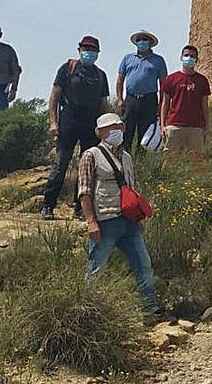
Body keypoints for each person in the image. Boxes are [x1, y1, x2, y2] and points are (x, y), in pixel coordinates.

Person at [78, 112, 160, 313]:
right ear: (100, 132)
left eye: (118, 126)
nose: (116, 130)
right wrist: (91, 222)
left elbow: (131, 187)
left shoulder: (127, 157)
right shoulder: (91, 155)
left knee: (143, 264)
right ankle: (87, 312)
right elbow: (84, 191)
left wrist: (138, 217)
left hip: (129, 222)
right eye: (110, 127)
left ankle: (150, 308)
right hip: (105, 221)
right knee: (96, 269)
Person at [42, 36, 109, 220]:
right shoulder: (68, 69)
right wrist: (53, 122)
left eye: (93, 50)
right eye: (86, 49)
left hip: (90, 124)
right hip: (69, 120)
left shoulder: (100, 75)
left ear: (98, 53)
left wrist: (105, 128)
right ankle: (48, 205)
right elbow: (54, 97)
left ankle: (80, 208)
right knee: (61, 163)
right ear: (79, 49)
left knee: (86, 168)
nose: (89, 53)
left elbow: (103, 104)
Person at [116, 30, 168, 153]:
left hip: (149, 99)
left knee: (145, 134)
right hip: (131, 99)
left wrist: (161, 104)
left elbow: (163, 85)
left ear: (150, 43)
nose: (141, 42)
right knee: (126, 132)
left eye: (144, 39)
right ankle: (124, 160)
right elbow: (120, 80)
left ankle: (141, 162)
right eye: (139, 40)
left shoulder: (158, 60)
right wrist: (119, 99)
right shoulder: (127, 59)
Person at [159, 45, 211, 164]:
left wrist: (206, 128)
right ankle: (167, 181)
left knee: (197, 161)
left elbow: (205, 107)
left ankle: (197, 182)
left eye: (192, 56)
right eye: (186, 55)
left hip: (195, 127)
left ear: (197, 60)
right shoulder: (171, 79)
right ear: (181, 57)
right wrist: (162, 125)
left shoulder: (202, 81)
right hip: (174, 125)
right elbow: (165, 104)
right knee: (169, 160)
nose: (189, 58)